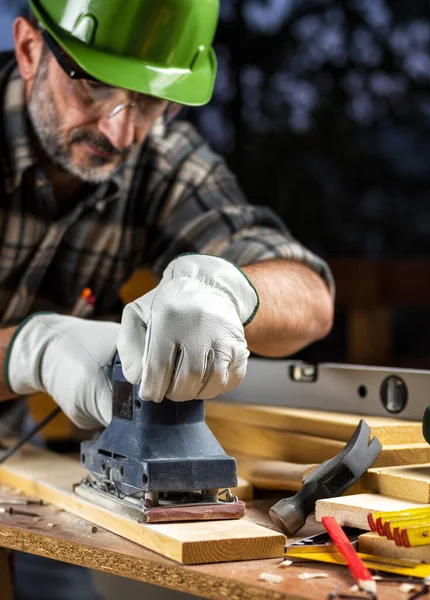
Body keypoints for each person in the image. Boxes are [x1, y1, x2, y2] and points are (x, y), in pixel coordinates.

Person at [0, 1, 334, 598]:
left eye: (151, 101)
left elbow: (310, 296)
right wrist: (28, 350)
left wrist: (231, 290)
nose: (120, 131)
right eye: (95, 88)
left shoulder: (160, 158)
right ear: (29, 50)